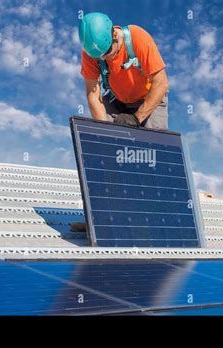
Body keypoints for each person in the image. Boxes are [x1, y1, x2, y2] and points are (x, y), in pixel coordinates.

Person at [70, 12, 169, 232]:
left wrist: (136, 119)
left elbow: (161, 84)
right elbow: (93, 96)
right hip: (118, 98)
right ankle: (99, 218)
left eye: (108, 53)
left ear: (115, 36)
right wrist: (104, 135)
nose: (104, 59)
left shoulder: (138, 38)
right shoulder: (92, 52)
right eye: (100, 57)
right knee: (99, 152)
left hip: (150, 97)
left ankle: (158, 220)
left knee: (153, 153)